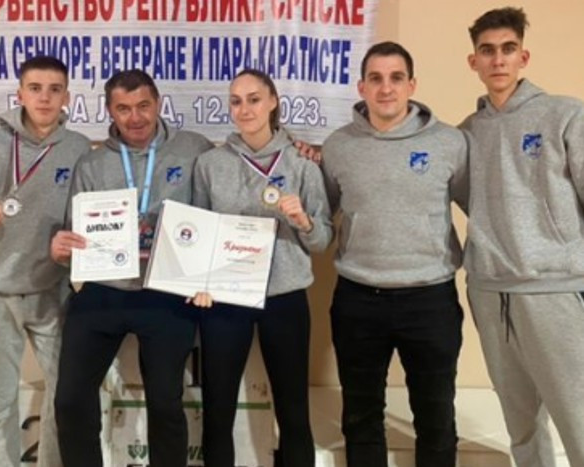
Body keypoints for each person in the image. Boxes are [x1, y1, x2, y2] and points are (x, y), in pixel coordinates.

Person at [49, 69, 214, 467]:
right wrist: (62, 248)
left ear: (158, 104)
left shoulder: (194, 149)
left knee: (165, 402)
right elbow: (75, 234)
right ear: (110, 111)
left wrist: (297, 144)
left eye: (143, 106)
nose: (135, 117)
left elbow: (227, 185)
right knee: (69, 398)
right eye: (123, 109)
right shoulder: (92, 163)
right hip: (104, 291)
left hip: (166, 291)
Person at [321, 42, 469, 467]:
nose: (386, 88)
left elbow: (481, 207)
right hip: (358, 298)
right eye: (376, 78)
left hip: (430, 299)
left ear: (412, 85)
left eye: (396, 78)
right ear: (361, 87)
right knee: (361, 417)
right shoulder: (338, 146)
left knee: (436, 417)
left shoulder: (449, 142)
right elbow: (322, 215)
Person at [188, 68, 333, 467]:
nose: (245, 109)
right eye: (236, 101)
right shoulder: (210, 164)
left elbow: (323, 240)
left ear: (272, 102)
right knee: (217, 410)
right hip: (225, 299)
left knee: (293, 411)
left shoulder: (302, 164)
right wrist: (201, 282)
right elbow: (199, 234)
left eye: (254, 99)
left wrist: (303, 221)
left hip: (285, 297)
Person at [461, 8, 584, 466]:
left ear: (523, 57)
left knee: (578, 416)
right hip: (489, 290)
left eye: (508, 49)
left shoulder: (565, 114)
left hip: (553, 289)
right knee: (521, 424)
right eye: (487, 51)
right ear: (473, 61)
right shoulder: (466, 134)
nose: (498, 59)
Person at [0, 56, 91, 467]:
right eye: (35, 88)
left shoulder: (78, 148)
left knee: (63, 397)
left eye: (54, 89)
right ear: (19, 94)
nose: (44, 98)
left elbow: (85, 215)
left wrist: (73, 242)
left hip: (50, 290)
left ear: (67, 97)